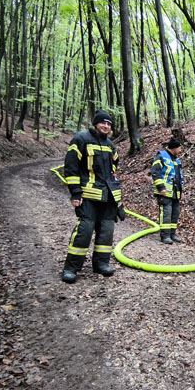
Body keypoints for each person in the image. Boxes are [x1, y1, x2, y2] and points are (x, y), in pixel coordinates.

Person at [61, 109, 125, 283]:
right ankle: (71, 268)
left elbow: (114, 169)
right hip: (88, 196)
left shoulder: (110, 145)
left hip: (108, 198)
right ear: (95, 123)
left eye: (109, 124)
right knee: (84, 231)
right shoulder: (81, 139)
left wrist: (118, 201)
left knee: (106, 232)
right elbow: (71, 166)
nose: (106, 126)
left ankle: (101, 264)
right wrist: (75, 192)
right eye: (103, 122)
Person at [151, 137, 183, 244]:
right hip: (164, 193)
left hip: (175, 192)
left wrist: (180, 190)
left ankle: (172, 234)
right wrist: (161, 188)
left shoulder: (176, 161)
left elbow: (178, 177)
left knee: (175, 213)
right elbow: (155, 172)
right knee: (166, 214)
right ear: (174, 148)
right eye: (179, 148)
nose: (180, 150)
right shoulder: (161, 157)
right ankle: (165, 236)